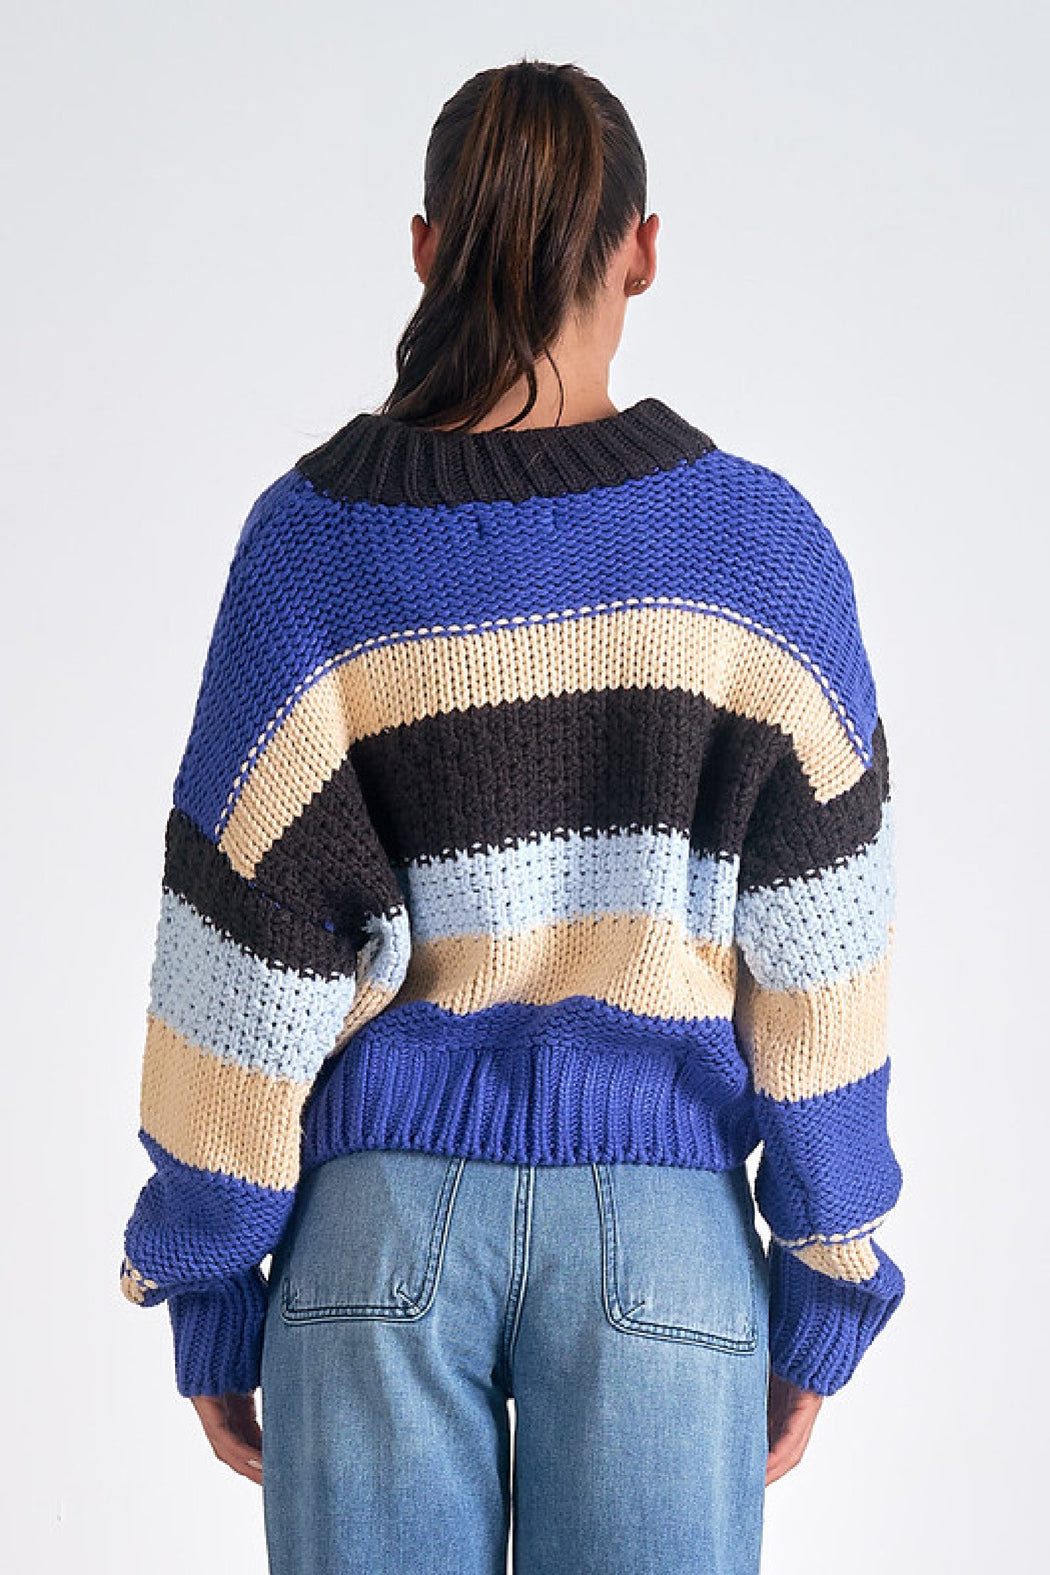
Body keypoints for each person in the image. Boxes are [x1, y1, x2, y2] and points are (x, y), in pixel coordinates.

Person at [118, 56, 904, 1575]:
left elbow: (240, 954)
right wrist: (827, 1276)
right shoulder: (762, 554)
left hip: (371, 1228)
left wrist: (209, 1273)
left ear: (425, 250)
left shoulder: (310, 546)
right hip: (663, 1237)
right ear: (642, 251)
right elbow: (823, 968)